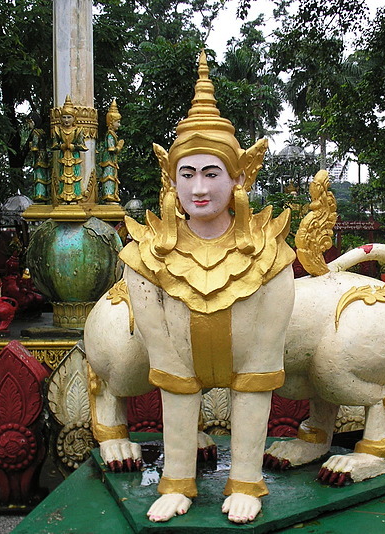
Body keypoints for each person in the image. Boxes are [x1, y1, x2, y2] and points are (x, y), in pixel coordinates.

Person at [117, 51, 296, 523]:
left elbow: (262, 365)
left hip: (249, 369)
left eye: (212, 172)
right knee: (175, 380)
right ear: (170, 181)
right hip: (178, 367)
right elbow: (167, 363)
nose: (199, 188)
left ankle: (244, 479)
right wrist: (176, 481)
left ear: (240, 176)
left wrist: (243, 484)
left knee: (254, 382)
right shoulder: (143, 258)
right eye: (187, 174)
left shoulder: (274, 257)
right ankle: (177, 478)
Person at [51, 97, 87, 203]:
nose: (66, 120)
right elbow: (54, 145)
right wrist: (61, 146)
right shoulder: (58, 130)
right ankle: (63, 198)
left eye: (69, 117)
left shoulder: (77, 131)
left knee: (75, 178)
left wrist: (74, 147)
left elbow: (83, 146)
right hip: (63, 158)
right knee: (63, 178)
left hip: (74, 158)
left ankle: (75, 197)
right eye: (64, 117)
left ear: (74, 118)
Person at [98, 99, 124, 203]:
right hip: (108, 160)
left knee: (112, 176)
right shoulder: (110, 134)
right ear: (111, 122)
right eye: (117, 122)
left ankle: (111, 195)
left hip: (111, 161)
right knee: (109, 177)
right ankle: (108, 195)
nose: (119, 124)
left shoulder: (112, 134)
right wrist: (119, 146)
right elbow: (111, 149)